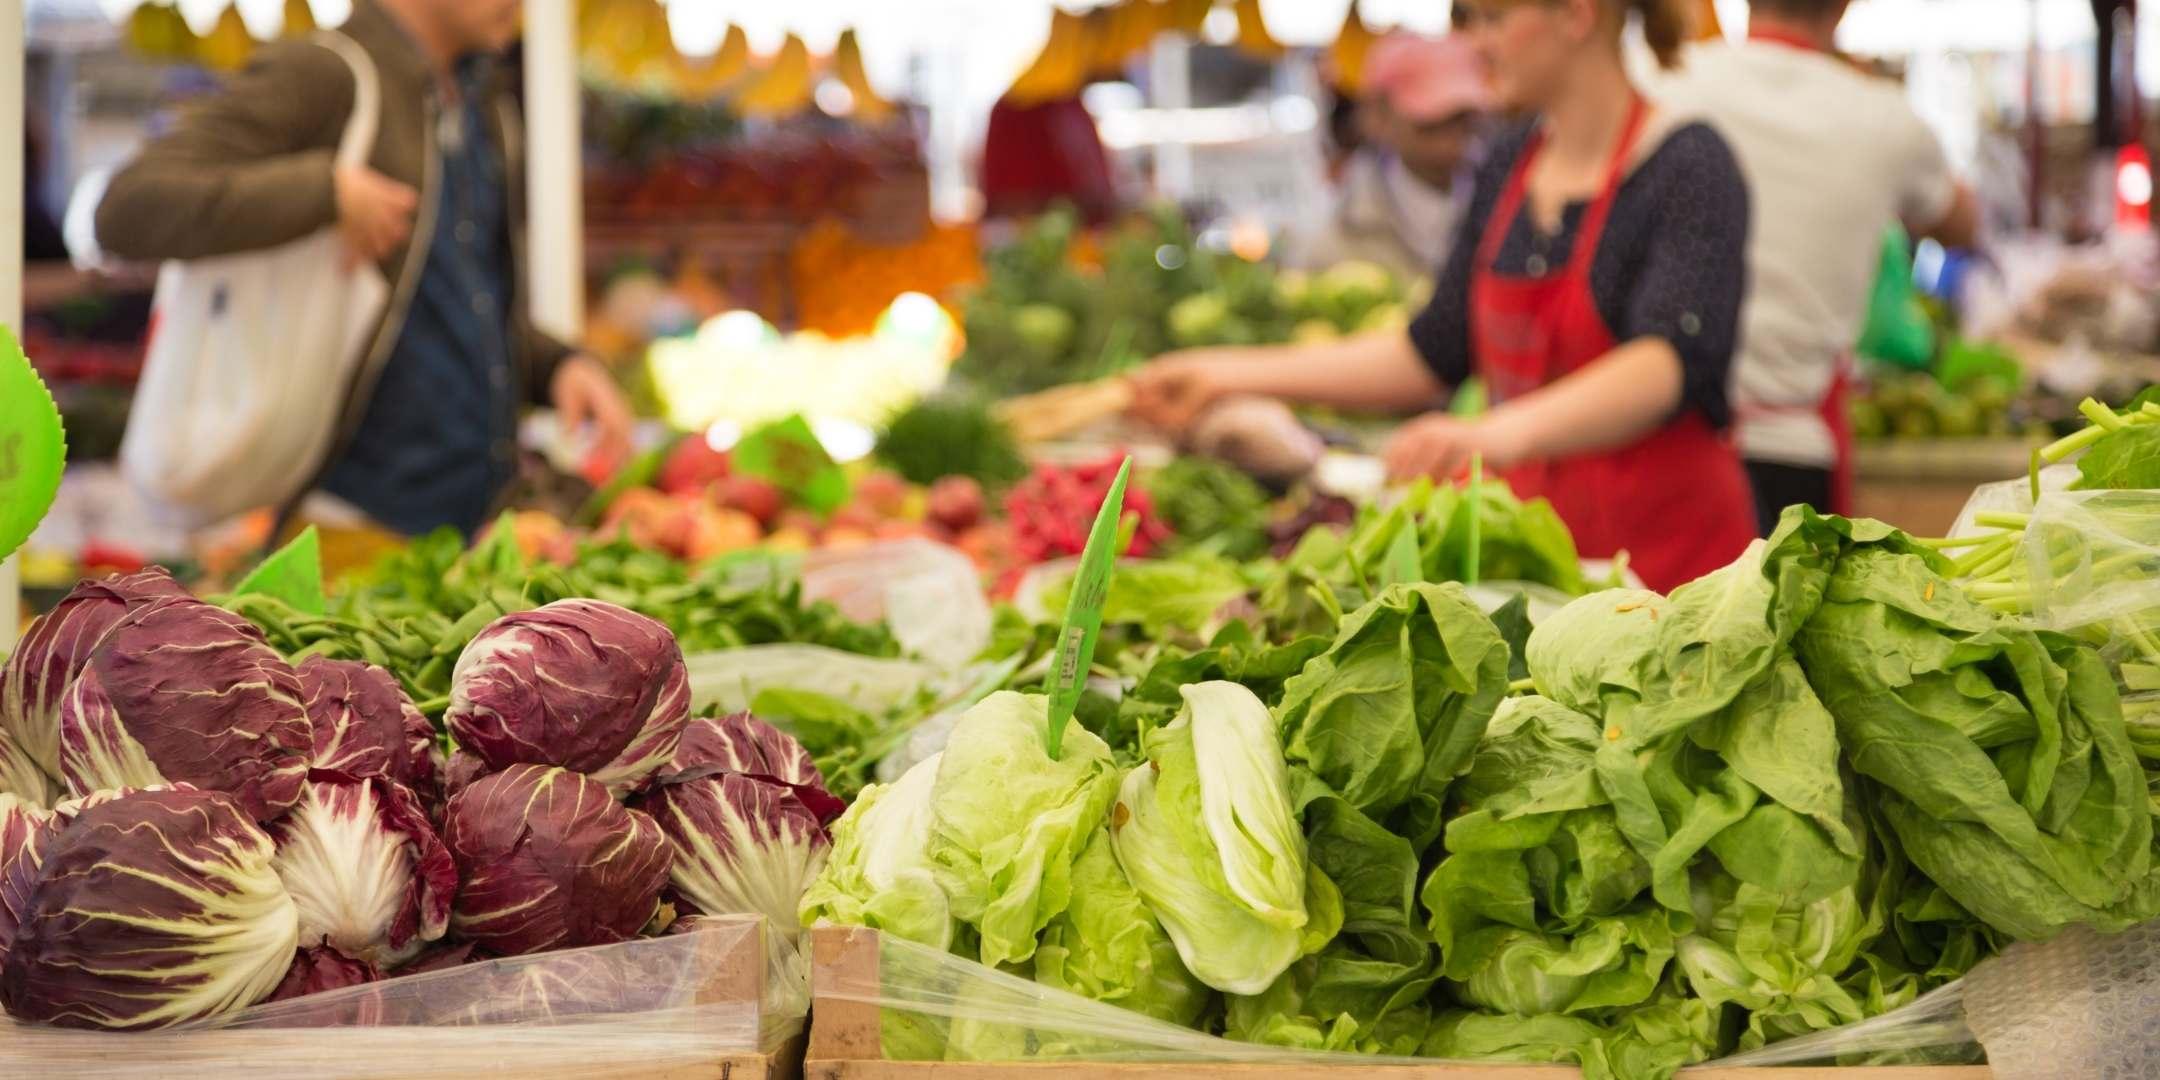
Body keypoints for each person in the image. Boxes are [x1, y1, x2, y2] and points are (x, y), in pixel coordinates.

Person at [1129, 0, 1756, 593]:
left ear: (1576, 14)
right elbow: (1434, 349)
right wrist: (1221, 374)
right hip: (1539, 558)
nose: (1475, 42)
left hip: (1670, 564)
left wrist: (1494, 434)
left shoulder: (1688, 163)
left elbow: (1668, 361)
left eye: (1492, 17)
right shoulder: (1510, 161)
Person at [94, 0, 633, 538]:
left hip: (478, 534)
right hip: (347, 536)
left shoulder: (481, 104)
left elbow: (455, 302)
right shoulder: (325, 74)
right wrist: (324, 191)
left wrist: (557, 366)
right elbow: (127, 207)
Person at [1650, 0, 1978, 532]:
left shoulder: (1668, 77)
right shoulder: (1884, 117)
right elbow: (1962, 223)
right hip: (1790, 459)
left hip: (1660, 445)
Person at [1283, 34, 1491, 278]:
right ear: (1378, 115)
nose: (1450, 125)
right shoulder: (1335, 234)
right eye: (1430, 119)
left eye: (1460, 113)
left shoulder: (1508, 201)